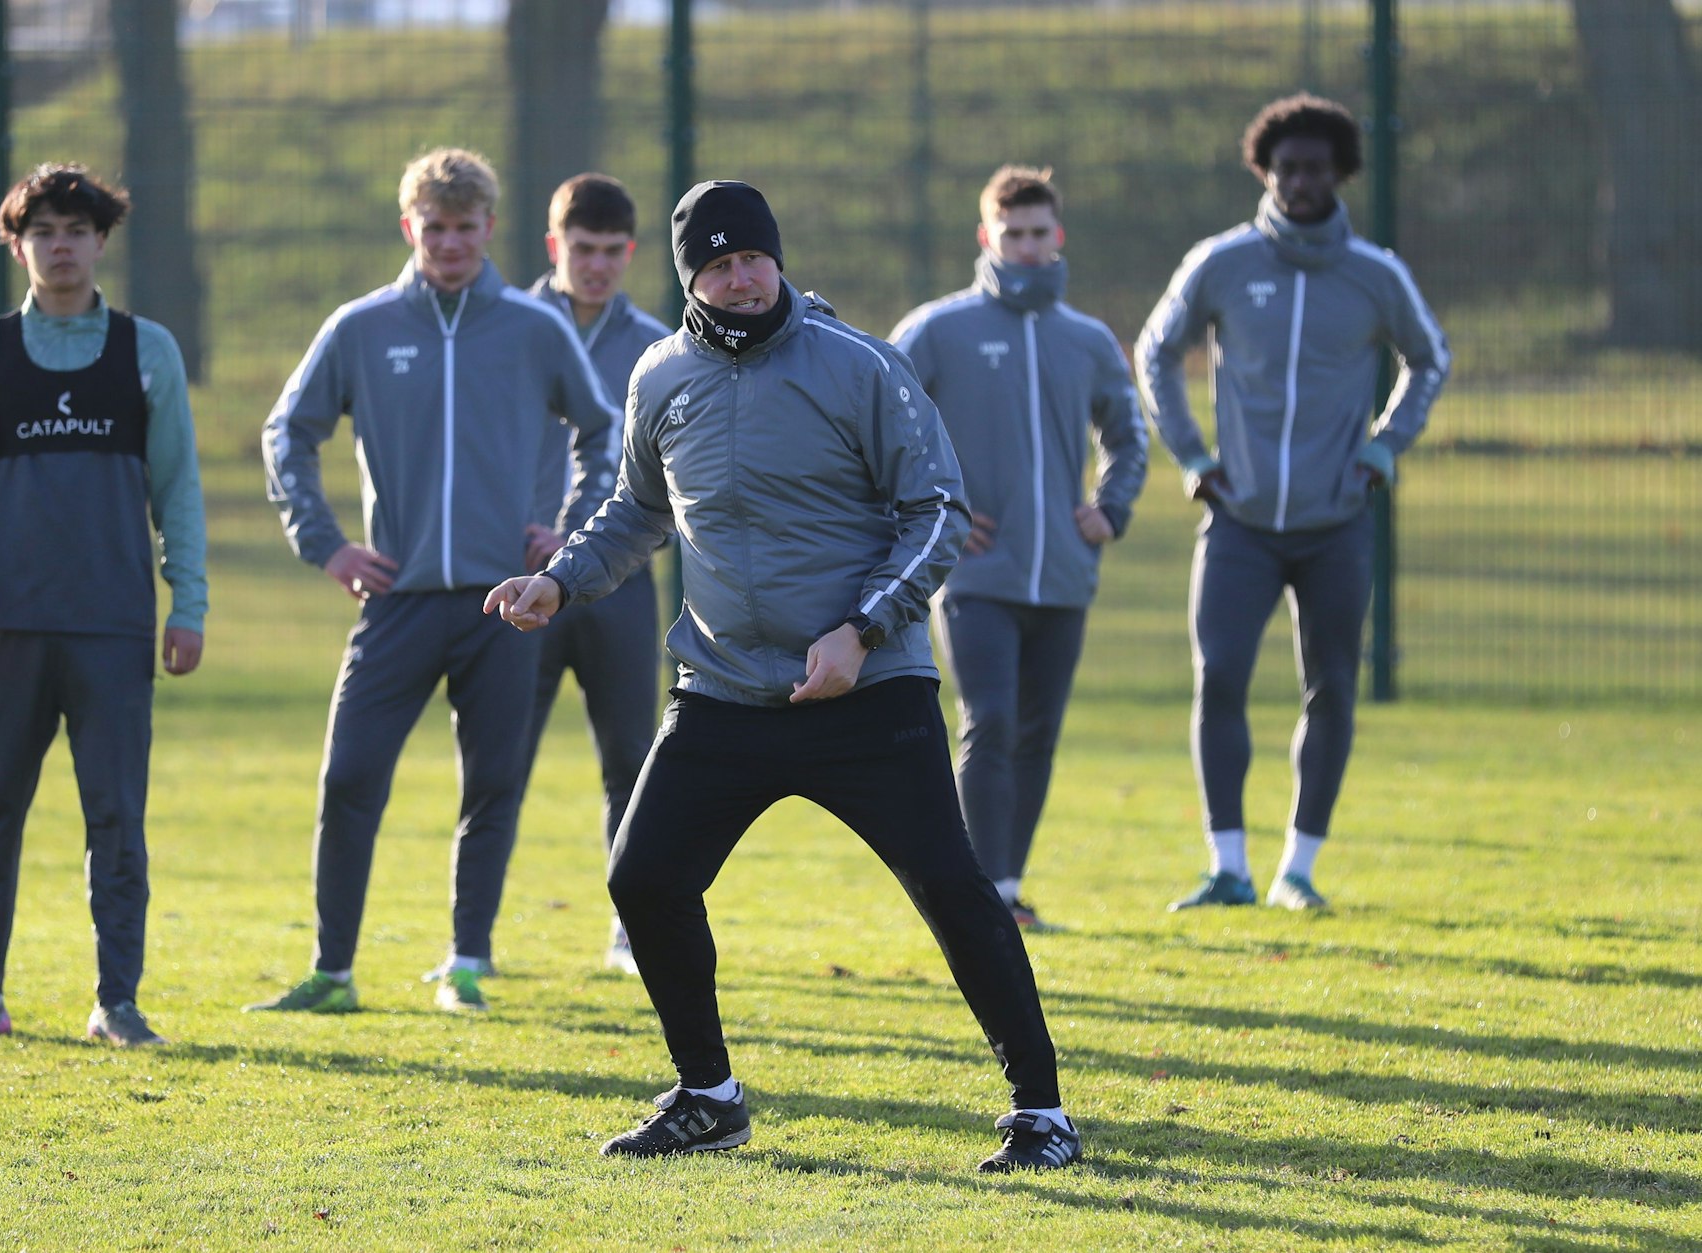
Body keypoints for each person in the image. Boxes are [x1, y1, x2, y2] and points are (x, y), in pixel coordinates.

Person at [486, 181, 1083, 1173]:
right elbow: (636, 509)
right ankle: (707, 1095)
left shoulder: (859, 365)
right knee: (644, 877)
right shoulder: (658, 376)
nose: (741, 278)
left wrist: (860, 630)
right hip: (721, 690)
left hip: (867, 690)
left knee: (950, 885)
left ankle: (1041, 1110)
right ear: (690, 279)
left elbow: (936, 509)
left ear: (775, 258)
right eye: (718, 266)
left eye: (752, 258)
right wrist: (559, 582)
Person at [252, 148, 619, 1015]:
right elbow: (286, 435)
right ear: (409, 226)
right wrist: (329, 545)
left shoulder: (533, 329)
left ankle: (466, 962)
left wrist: (569, 532)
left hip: (503, 605)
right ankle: (332, 971)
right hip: (398, 599)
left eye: (466, 226)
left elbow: (606, 434)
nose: (450, 242)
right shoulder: (362, 327)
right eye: (435, 226)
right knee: (349, 776)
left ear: (491, 228)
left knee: (491, 784)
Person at [1134, 94, 1449, 912]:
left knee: (1332, 687)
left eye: (1315, 167)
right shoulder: (1223, 262)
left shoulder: (1376, 274)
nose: (1300, 180)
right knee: (1222, 679)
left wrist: (1383, 448)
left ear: (1339, 174)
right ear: (1264, 171)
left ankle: (1297, 870)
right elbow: (1157, 351)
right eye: (1286, 167)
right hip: (1238, 524)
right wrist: (1194, 456)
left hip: (1336, 524)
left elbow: (1430, 358)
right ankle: (1227, 865)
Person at [0, 163, 207, 1048]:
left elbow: (179, 491)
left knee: (116, 818)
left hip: (114, 626)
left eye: (76, 229)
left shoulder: (146, 350)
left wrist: (186, 601)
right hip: (5, 624)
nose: (61, 244)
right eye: (42, 229)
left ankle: (116, 1001)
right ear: (17, 244)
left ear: (101, 241)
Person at [891, 165, 1147, 931]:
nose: (1027, 247)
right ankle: (978, 897)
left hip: (1065, 574)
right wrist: (933, 510)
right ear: (986, 237)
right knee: (990, 718)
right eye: (1013, 234)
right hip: (973, 574)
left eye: (1039, 234)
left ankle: (1004, 887)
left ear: (1057, 236)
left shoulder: (1089, 340)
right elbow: (876, 422)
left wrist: (1112, 508)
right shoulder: (939, 329)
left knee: (1036, 732)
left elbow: (1129, 437)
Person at [513, 173, 671, 976]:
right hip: (519, 587)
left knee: (630, 759)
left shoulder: (659, 344)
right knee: (498, 762)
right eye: (583, 249)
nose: (597, 265)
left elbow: (677, 476)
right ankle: (471, 943)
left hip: (618, 584)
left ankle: (628, 931)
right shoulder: (504, 327)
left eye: (612, 251)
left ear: (631, 253)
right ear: (555, 247)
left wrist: (597, 542)